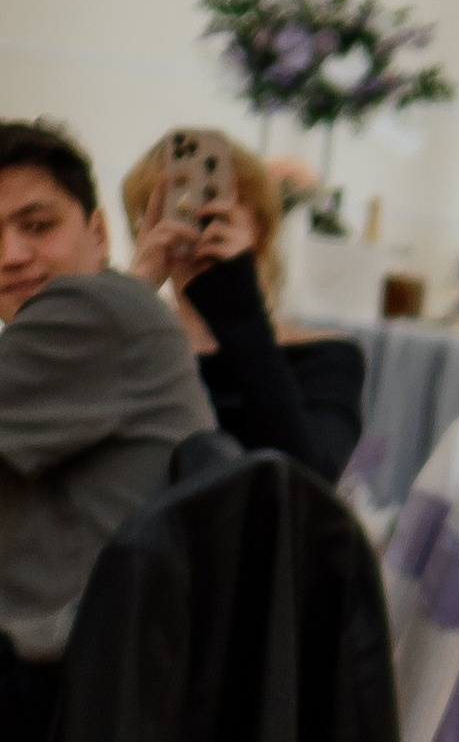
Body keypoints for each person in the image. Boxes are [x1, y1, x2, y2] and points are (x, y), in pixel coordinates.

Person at [0, 118, 210, 742]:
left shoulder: (87, 309)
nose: (10, 253)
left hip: (64, 706)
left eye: (36, 224)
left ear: (97, 230)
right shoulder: (111, 309)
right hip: (106, 690)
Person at [121, 134, 366, 483]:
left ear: (259, 226)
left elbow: (304, 486)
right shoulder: (131, 348)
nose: (194, 217)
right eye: (171, 205)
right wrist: (129, 295)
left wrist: (240, 308)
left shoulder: (325, 358)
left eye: (213, 200)